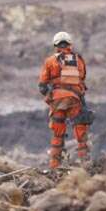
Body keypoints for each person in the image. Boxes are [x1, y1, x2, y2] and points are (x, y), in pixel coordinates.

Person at [38, 31, 91, 168]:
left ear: (56, 46)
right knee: (81, 133)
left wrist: (50, 93)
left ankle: (55, 166)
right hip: (75, 100)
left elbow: (42, 86)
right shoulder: (79, 60)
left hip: (57, 102)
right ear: (70, 45)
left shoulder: (50, 61)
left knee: (57, 134)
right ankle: (85, 164)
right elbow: (82, 78)